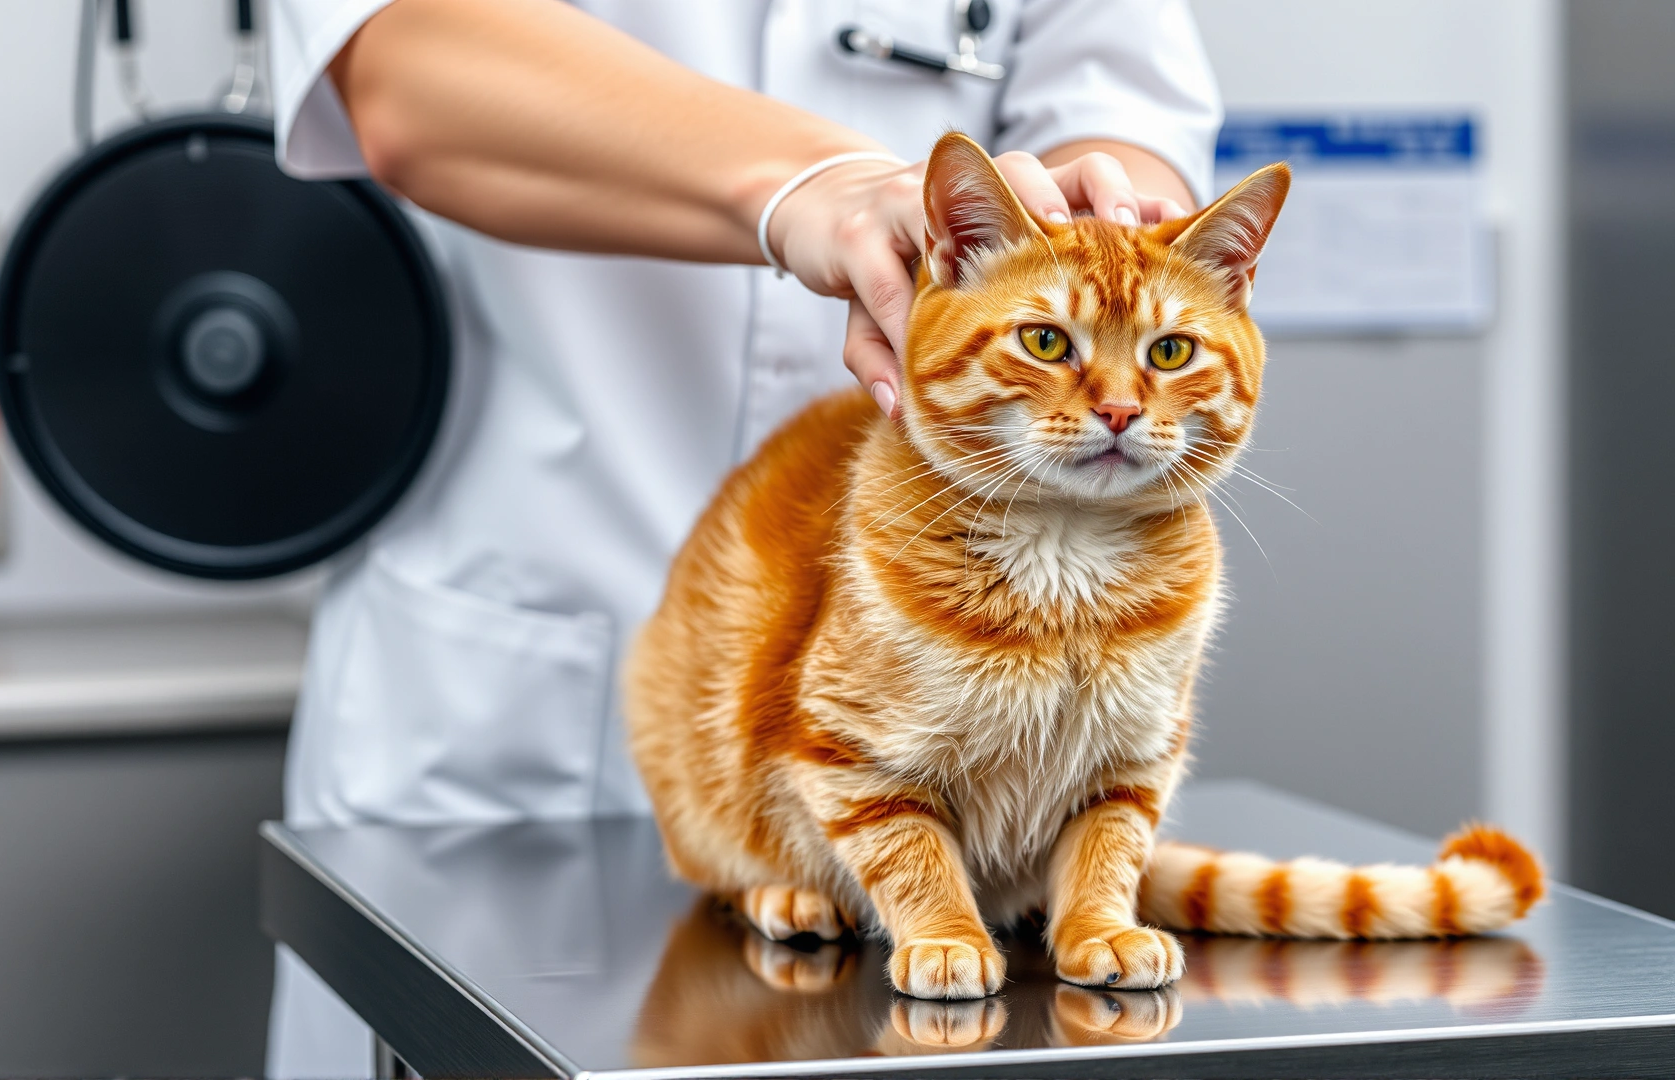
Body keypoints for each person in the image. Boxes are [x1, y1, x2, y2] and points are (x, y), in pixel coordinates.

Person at [264, 1, 1221, 1074]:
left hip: (977, 562)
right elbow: (405, 68)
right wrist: (823, 186)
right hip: (522, 674)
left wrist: (1114, 251)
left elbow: (1121, 98)